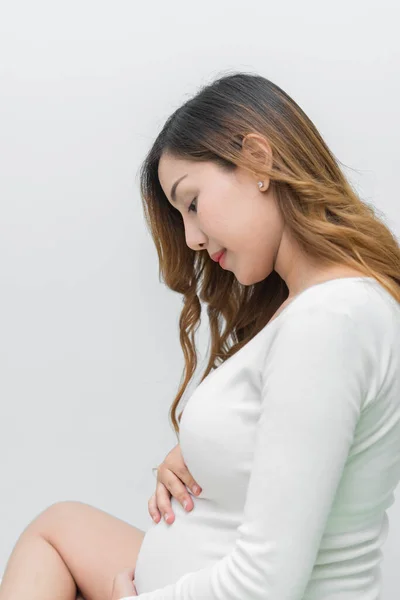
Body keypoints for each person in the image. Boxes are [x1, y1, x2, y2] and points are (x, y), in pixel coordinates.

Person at [0, 72, 399, 600]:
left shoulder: (331, 321)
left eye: (191, 203)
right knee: (60, 527)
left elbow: (267, 586)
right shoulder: (313, 310)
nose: (191, 238)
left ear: (259, 162)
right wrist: (202, 455)